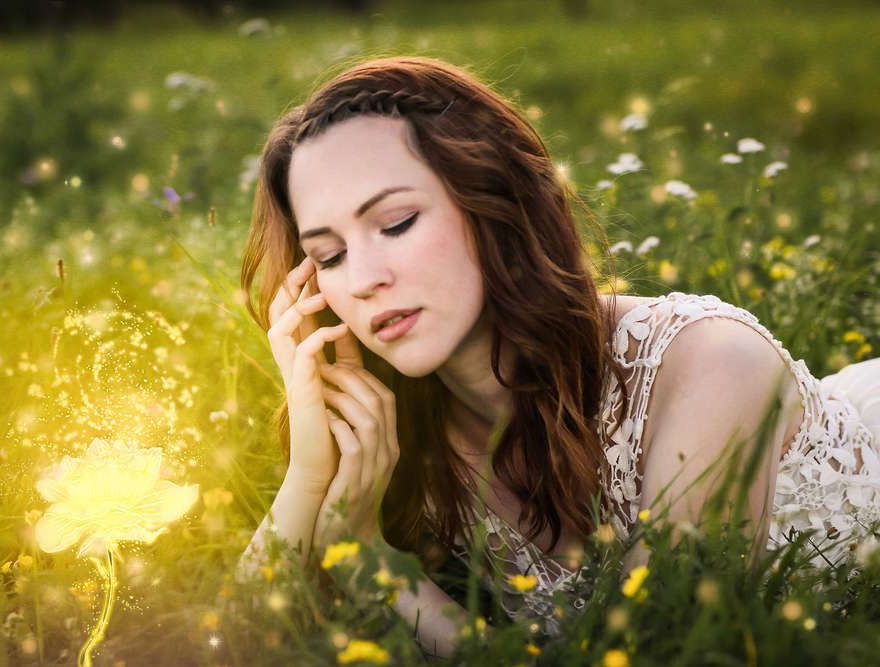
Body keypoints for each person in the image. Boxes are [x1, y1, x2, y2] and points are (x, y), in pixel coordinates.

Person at [236, 55, 880, 656]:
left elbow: (653, 653)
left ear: (494, 200)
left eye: (398, 222)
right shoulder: (399, 439)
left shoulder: (710, 365)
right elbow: (237, 641)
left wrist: (365, 562)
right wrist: (312, 477)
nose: (363, 278)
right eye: (329, 256)